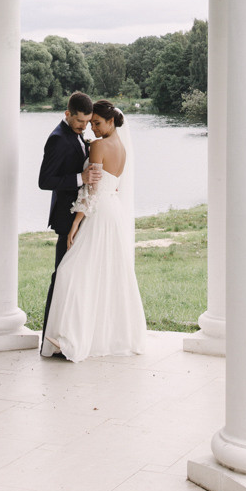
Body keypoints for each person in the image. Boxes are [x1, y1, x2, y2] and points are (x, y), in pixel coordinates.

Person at [41, 99, 147, 362]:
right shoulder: (121, 147)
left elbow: (92, 190)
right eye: (88, 123)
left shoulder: (98, 145)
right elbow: (111, 184)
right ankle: (100, 336)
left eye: (96, 123)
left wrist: (76, 222)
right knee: (105, 275)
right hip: (113, 212)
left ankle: (69, 337)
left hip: (97, 213)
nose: (92, 129)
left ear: (111, 121)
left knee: (71, 272)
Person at [38, 91, 94, 341]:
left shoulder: (77, 135)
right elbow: (45, 181)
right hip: (66, 217)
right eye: (80, 121)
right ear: (67, 114)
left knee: (74, 277)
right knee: (62, 276)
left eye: (88, 122)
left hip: (80, 214)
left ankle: (70, 334)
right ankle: (51, 337)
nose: (84, 126)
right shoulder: (58, 139)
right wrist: (80, 178)